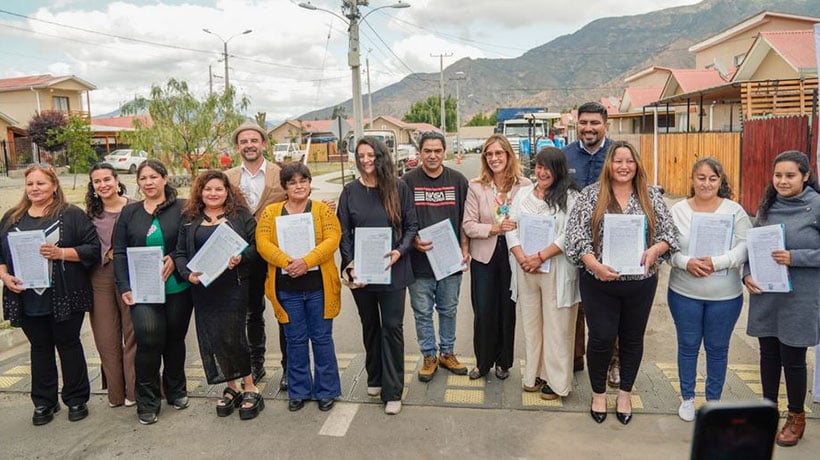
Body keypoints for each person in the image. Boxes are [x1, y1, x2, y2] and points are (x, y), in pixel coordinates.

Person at [565, 140, 677, 425]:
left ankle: (625, 393)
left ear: (637, 164)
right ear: (609, 165)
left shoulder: (650, 196)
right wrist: (593, 264)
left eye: (629, 161)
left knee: (631, 339)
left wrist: (655, 250)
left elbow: (670, 235)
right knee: (601, 338)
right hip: (599, 282)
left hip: (640, 284)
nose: (624, 167)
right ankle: (598, 393)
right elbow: (575, 237)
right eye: (618, 161)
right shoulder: (591, 195)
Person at [0, 164, 100, 425]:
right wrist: (4, 276)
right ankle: (44, 401)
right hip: (26, 295)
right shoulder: (12, 218)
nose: (34, 188)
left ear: (54, 186)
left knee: (69, 345)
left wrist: (61, 253)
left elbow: (92, 249)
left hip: (66, 293)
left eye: (41, 183)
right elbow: (1, 255)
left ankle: (76, 398)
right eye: (30, 184)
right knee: (40, 347)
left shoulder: (72, 215)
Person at [742, 150, 820, 447]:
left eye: (790, 175)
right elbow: (752, 247)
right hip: (766, 294)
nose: (783, 181)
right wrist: (746, 274)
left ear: (805, 176)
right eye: (778, 175)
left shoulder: (816, 206)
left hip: (800, 297)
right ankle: (767, 412)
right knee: (768, 356)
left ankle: (796, 416)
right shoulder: (767, 205)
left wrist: (794, 257)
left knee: (794, 359)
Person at [173, 170, 264, 420]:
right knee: (215, 337)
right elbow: (180, 252)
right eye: (208, 189)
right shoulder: (190, 219)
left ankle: (250, 386)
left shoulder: (240, 216)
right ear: (200, 192)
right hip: (203, 288)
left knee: (234, 336)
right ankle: (232, 386)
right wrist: (186, 273)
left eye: (218, 189)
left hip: (233, 286)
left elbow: (256, 245)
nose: (213, 193)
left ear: (227, 192)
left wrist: (241, 256)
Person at [338, 136, 418, 415]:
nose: (365, 160)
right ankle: (374, 376)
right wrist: (349, 263)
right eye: (360, 155)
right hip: (361, 272)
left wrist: (399, 252)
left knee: (392, 328)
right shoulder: (349, 192)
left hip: (393, 270)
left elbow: (411, 226)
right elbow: (343, 233)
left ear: (381, 157)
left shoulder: (399, 188)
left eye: (371, 155)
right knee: (369, 324)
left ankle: (393, 390)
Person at [668, 158, 751, 422]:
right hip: (684, 293)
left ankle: (713, 400)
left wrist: (718, 263)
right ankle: (688, 398)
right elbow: (667, 247)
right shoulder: (678, 210)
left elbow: (744, 247)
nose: (706, 183)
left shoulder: (734, 211)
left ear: (720, 181)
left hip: (725, 296)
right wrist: (685, 262)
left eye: (712, 178)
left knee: (717, 348)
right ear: (692, 180)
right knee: (688, 345)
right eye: (701, 178)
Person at [256, 162, 342, 412]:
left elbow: (332, 239)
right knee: (295, 341)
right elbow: (262, 243)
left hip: (319, 288)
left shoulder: (322, 210)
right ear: (284, 187)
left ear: (309, 183)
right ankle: (299, 390)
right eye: (292, 182)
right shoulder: (271, 213)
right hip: (286, 289)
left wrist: (307, 261)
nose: (298, 186)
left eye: (303, 181)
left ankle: (327, 390)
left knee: (322, 339)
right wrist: (287, 262)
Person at [113, 159, 193, 425]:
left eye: (153, 177)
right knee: (148, 340)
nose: (148, 182)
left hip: (176, 287)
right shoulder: (130, 213)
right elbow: (120, 251)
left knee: (174, 340)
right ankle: (147, 400)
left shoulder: (183, 208)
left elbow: (190, 243)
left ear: (164, 179)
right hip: (143, 290)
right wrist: (124, 286)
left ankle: (176, 390)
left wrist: (173, 256)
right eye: (143, 178)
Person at [505, 147, 580, 400]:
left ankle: (556, 381)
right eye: (538, 166)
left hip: (555, 269)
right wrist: (520, 256)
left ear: (558, 170)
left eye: (547, 167)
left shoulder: (570, 198)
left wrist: (541, 256)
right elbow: (510, 226)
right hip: (525, 268)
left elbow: (568, 234)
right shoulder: (523, 194)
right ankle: (534, 374)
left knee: (557, 327)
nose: (542, 172)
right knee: (532, 325)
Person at [401, 131, 470, 382]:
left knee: (449, 309)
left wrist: (465, 248)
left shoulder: (458, 181)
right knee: (422, 311)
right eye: (427, 151)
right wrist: (413, 240)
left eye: (437, 151)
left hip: (450, 260)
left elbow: (466, 219)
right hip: (419, 262)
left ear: (444, 152)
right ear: (419, 153)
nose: (432, 156)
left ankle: (447, 353)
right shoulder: (407, 182)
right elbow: (400, 219)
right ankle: (429, 355)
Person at [463, 134, 531, 381]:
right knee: (483, 310)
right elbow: (468, 225)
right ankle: (482, 362)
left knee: (507, 309)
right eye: (489, 155)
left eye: (498, 154)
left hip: (513, 255)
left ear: (508, 156)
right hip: (484, 255)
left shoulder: (524, 186)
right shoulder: (476, 186)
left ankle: (504, 362)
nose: (494, 159)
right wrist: (494, 229)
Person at [225, 121, 287, 390]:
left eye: (254, 140)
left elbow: (298, 201)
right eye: (243, 141)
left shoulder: (279, 173)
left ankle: (289, 368)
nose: (249, 145)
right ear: (238, 147)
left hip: (275, 250)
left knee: (284, 310)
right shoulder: (227, 178)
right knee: (252, 312)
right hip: (242, 254)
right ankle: (256, 364)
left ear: (263, 143)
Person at [562, 101, 619, 385]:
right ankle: (575, 359)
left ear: (605, 124)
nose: (588, 128)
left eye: (594, 123)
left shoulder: (619, 154)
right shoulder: (566, 155)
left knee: (609, 305)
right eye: (583, 122)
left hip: (612, 241)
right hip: (573, 240)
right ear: (577, 124)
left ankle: (613, 362)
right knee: (576, 300)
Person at [85, 163, 137, 409]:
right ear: (93, 187)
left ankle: (135, 390)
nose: (103, 185)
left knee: (133, 332)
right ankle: (116, 393)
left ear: (117, 181)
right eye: (97, 182)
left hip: (130, 274)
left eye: (107, 179)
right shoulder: (89, 214)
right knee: (106, 337)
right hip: (100, 277)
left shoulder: (135, 206)